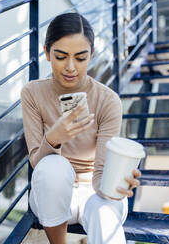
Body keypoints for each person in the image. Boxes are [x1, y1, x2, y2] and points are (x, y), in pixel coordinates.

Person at [20, 12, 141, 244]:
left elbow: (100, 178)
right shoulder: (32, 93)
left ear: (92, 56)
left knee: (104, 211)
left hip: (95, 193)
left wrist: (116, 183)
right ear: (46, 53)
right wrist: (54, 138)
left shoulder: (108, 100)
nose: (71, 67)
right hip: (50, 196)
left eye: (81, 57)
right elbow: (38, 163)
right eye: (61, 56)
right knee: (53, 167)